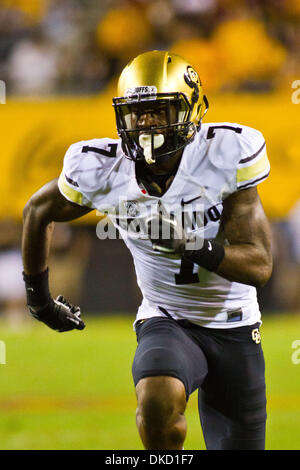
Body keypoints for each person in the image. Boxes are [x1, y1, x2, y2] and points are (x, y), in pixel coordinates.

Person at [22, 50, 272, 450]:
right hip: (166, 317)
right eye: (137, 113)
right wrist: (39, 302)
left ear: (190, 111)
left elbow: (258, 266)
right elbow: (36, 211)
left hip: (234, 324)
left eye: (159, 110)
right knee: (156, 400)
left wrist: (189, 243)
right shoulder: (104, 168)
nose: (146, 123)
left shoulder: (225, 154)